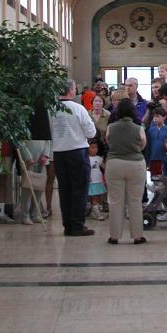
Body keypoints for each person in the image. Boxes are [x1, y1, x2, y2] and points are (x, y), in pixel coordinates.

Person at [50, 78, 97, 236]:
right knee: (79, 189)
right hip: (77, 152)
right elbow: (91, 132)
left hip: (58, 153)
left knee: (65, 190)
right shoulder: (78, 108)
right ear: (71, 91)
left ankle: (67, 225)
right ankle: (77, 225)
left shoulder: (52, 109)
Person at [105, 97, 148, 244]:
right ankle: (137, 236)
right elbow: (143, 145)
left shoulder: (111, 127)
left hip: (114, 164)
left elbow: (108, 142)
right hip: (135, 164)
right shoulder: (139, 128)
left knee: (115, 201)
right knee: (135, 202)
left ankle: (114, 236)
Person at [18, 139, 49, 225]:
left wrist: (45, 155)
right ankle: (25, 215)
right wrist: (27, 157)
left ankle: (35, 214)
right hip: (28, 161)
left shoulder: (43, 126)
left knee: (39, 187)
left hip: (42, 160)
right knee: (27, 188)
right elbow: (20, 142)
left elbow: (48, 141)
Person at [145, 106, 167, 177]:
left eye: (157, 116)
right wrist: (147, 160)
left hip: (164, 159)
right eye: (154, 117)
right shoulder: (150, 130)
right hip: (153, 159)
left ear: (164, 117)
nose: (155, 118)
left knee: (164, 180)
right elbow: (148, 146)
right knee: (154, 179)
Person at [87, 141, 107, 220]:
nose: (94, 149)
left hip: (99, 180)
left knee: (99, 196)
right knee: (94, 197)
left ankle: (94, 211)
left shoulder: (99, 158)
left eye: (96, 147)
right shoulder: (86, 158)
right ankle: (96, 212)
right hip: (91, 182)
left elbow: (104, 167)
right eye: (92, 147)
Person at [89, 93, 111, 157]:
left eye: (100, 101)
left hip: (104, 147)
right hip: (89, 148)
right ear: (92, 102)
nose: (97, 103)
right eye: (95, 101)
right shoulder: (87, 115)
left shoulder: (108, 115)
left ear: (103, 103)